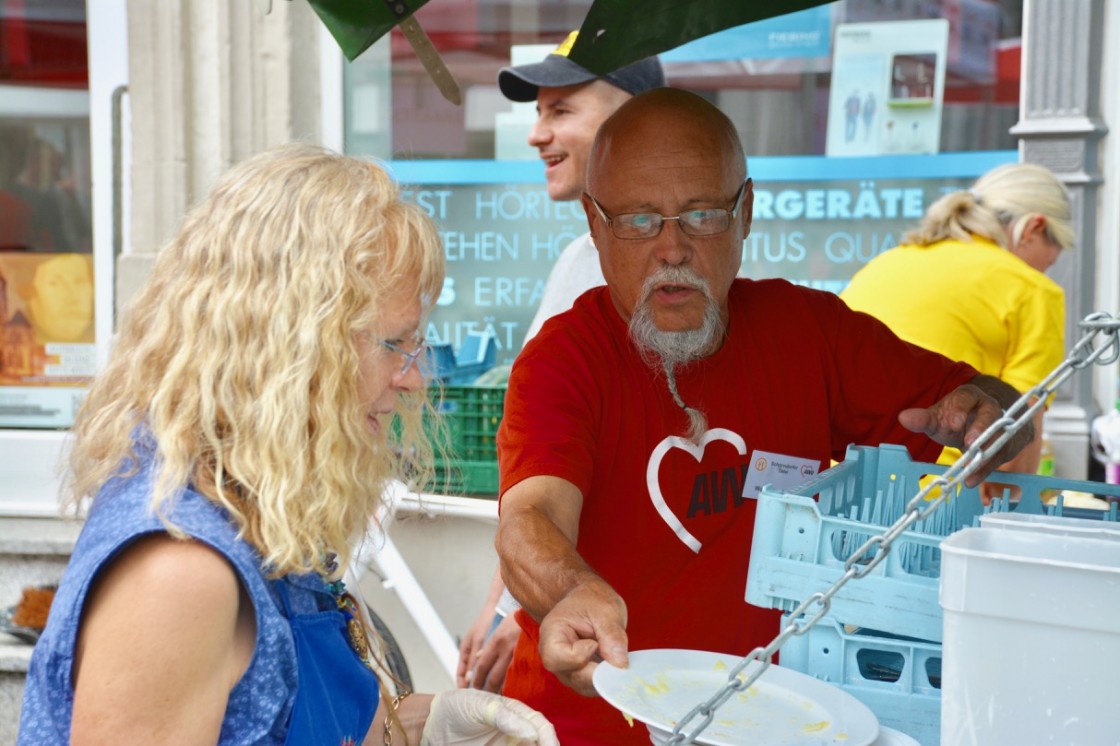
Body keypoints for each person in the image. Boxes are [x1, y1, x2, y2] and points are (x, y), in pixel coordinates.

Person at [493, 88, 1033, 745]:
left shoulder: (810, 335)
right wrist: (573, 590)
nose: (672, 249)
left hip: (767, 723)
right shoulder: (563, 360)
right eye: (639, 221)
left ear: (745, 212)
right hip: (585, 727)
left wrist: (994, 414)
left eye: (701, 216)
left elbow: (987, 407)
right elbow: (532, 516)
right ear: (595, 224)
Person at [18, 144, 558, 746]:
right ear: (293, 350)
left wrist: (420, 728)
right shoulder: (181, 571)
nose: (414, 377)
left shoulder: (263, 507)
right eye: (393, 345)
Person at [456, 33, 665, 693]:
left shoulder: (666, 276)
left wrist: (516, 611)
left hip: (618, 639)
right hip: (565, 621)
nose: (537, 135)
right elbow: (543, 468)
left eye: (561, 110)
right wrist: (503, 605)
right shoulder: (581, 261)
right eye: (538, 112)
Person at [841, 162, 1073, 485]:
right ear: (1033, 229)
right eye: (1050, 260)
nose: (1044, 272)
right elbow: (1014, 462)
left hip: (834, 490)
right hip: (935, 501)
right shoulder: (1033, 289)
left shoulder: (885, 263)